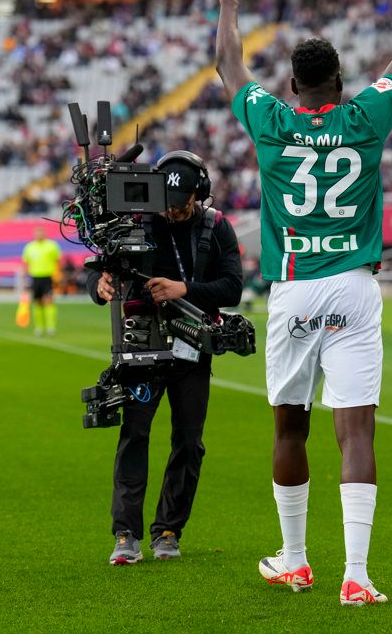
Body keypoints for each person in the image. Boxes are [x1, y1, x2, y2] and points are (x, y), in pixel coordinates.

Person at [214, 0, 392, 607]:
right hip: (357, 288)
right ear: (338, 83)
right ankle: (357, 575)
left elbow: (226, 63)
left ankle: (296, 560)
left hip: (297, 286)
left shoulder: (272, 119)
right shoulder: (365, 117)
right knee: (356, 430)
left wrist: (227, 2)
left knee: (289, 427)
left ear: (295, 87)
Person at [86, 151, 243, 565]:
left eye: (183, 202)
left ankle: (169, 530)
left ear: (201, 193)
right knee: (134, 436)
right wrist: (98, 285)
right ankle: (125, 535)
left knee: (188, 442)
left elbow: (232, 288)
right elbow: (99, 271)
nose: (173, 211)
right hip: (140, 348)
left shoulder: (217, 226)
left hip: (193, 348)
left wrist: (184, 289)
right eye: (167, 202)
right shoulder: (132, 222)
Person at [22, 226, 62, 336]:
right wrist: (26, 278)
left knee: (49, 301)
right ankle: (39, 327)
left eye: (40, 233)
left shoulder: (52, 246)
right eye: (37, 233)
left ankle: (51, 327)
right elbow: (26, 263)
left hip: (48, 276)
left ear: (44, 234)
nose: (39, 235)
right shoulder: (29, 247)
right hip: (35, 277)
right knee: (37, 302)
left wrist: (58, 275)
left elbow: (58, 261)